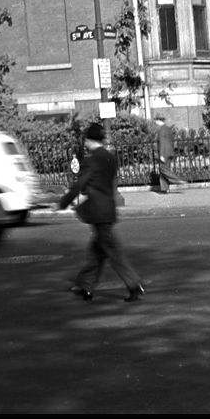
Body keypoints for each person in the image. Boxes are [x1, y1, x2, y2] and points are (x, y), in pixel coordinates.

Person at [58, 121, 144, 303]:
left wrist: (64, 202)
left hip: (97, 210)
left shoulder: (90, 160)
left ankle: (134, 285)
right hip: (108, 208)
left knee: (111, 252)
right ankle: (84, 286)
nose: (84, 144)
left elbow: (79, 185)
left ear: (90, 140)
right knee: (98, 251)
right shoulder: (111, 158)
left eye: (86, 140)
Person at [154, 115, 189, 194]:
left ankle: (177, 179)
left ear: (159, 120)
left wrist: (162, 155)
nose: (155, 123)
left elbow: (162, 142)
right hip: (170, 152)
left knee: (163, 170)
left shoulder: (162, 130)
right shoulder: (167, 129)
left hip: (164, 153)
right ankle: (164, 189)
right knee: (163, 171)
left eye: (156, 121)